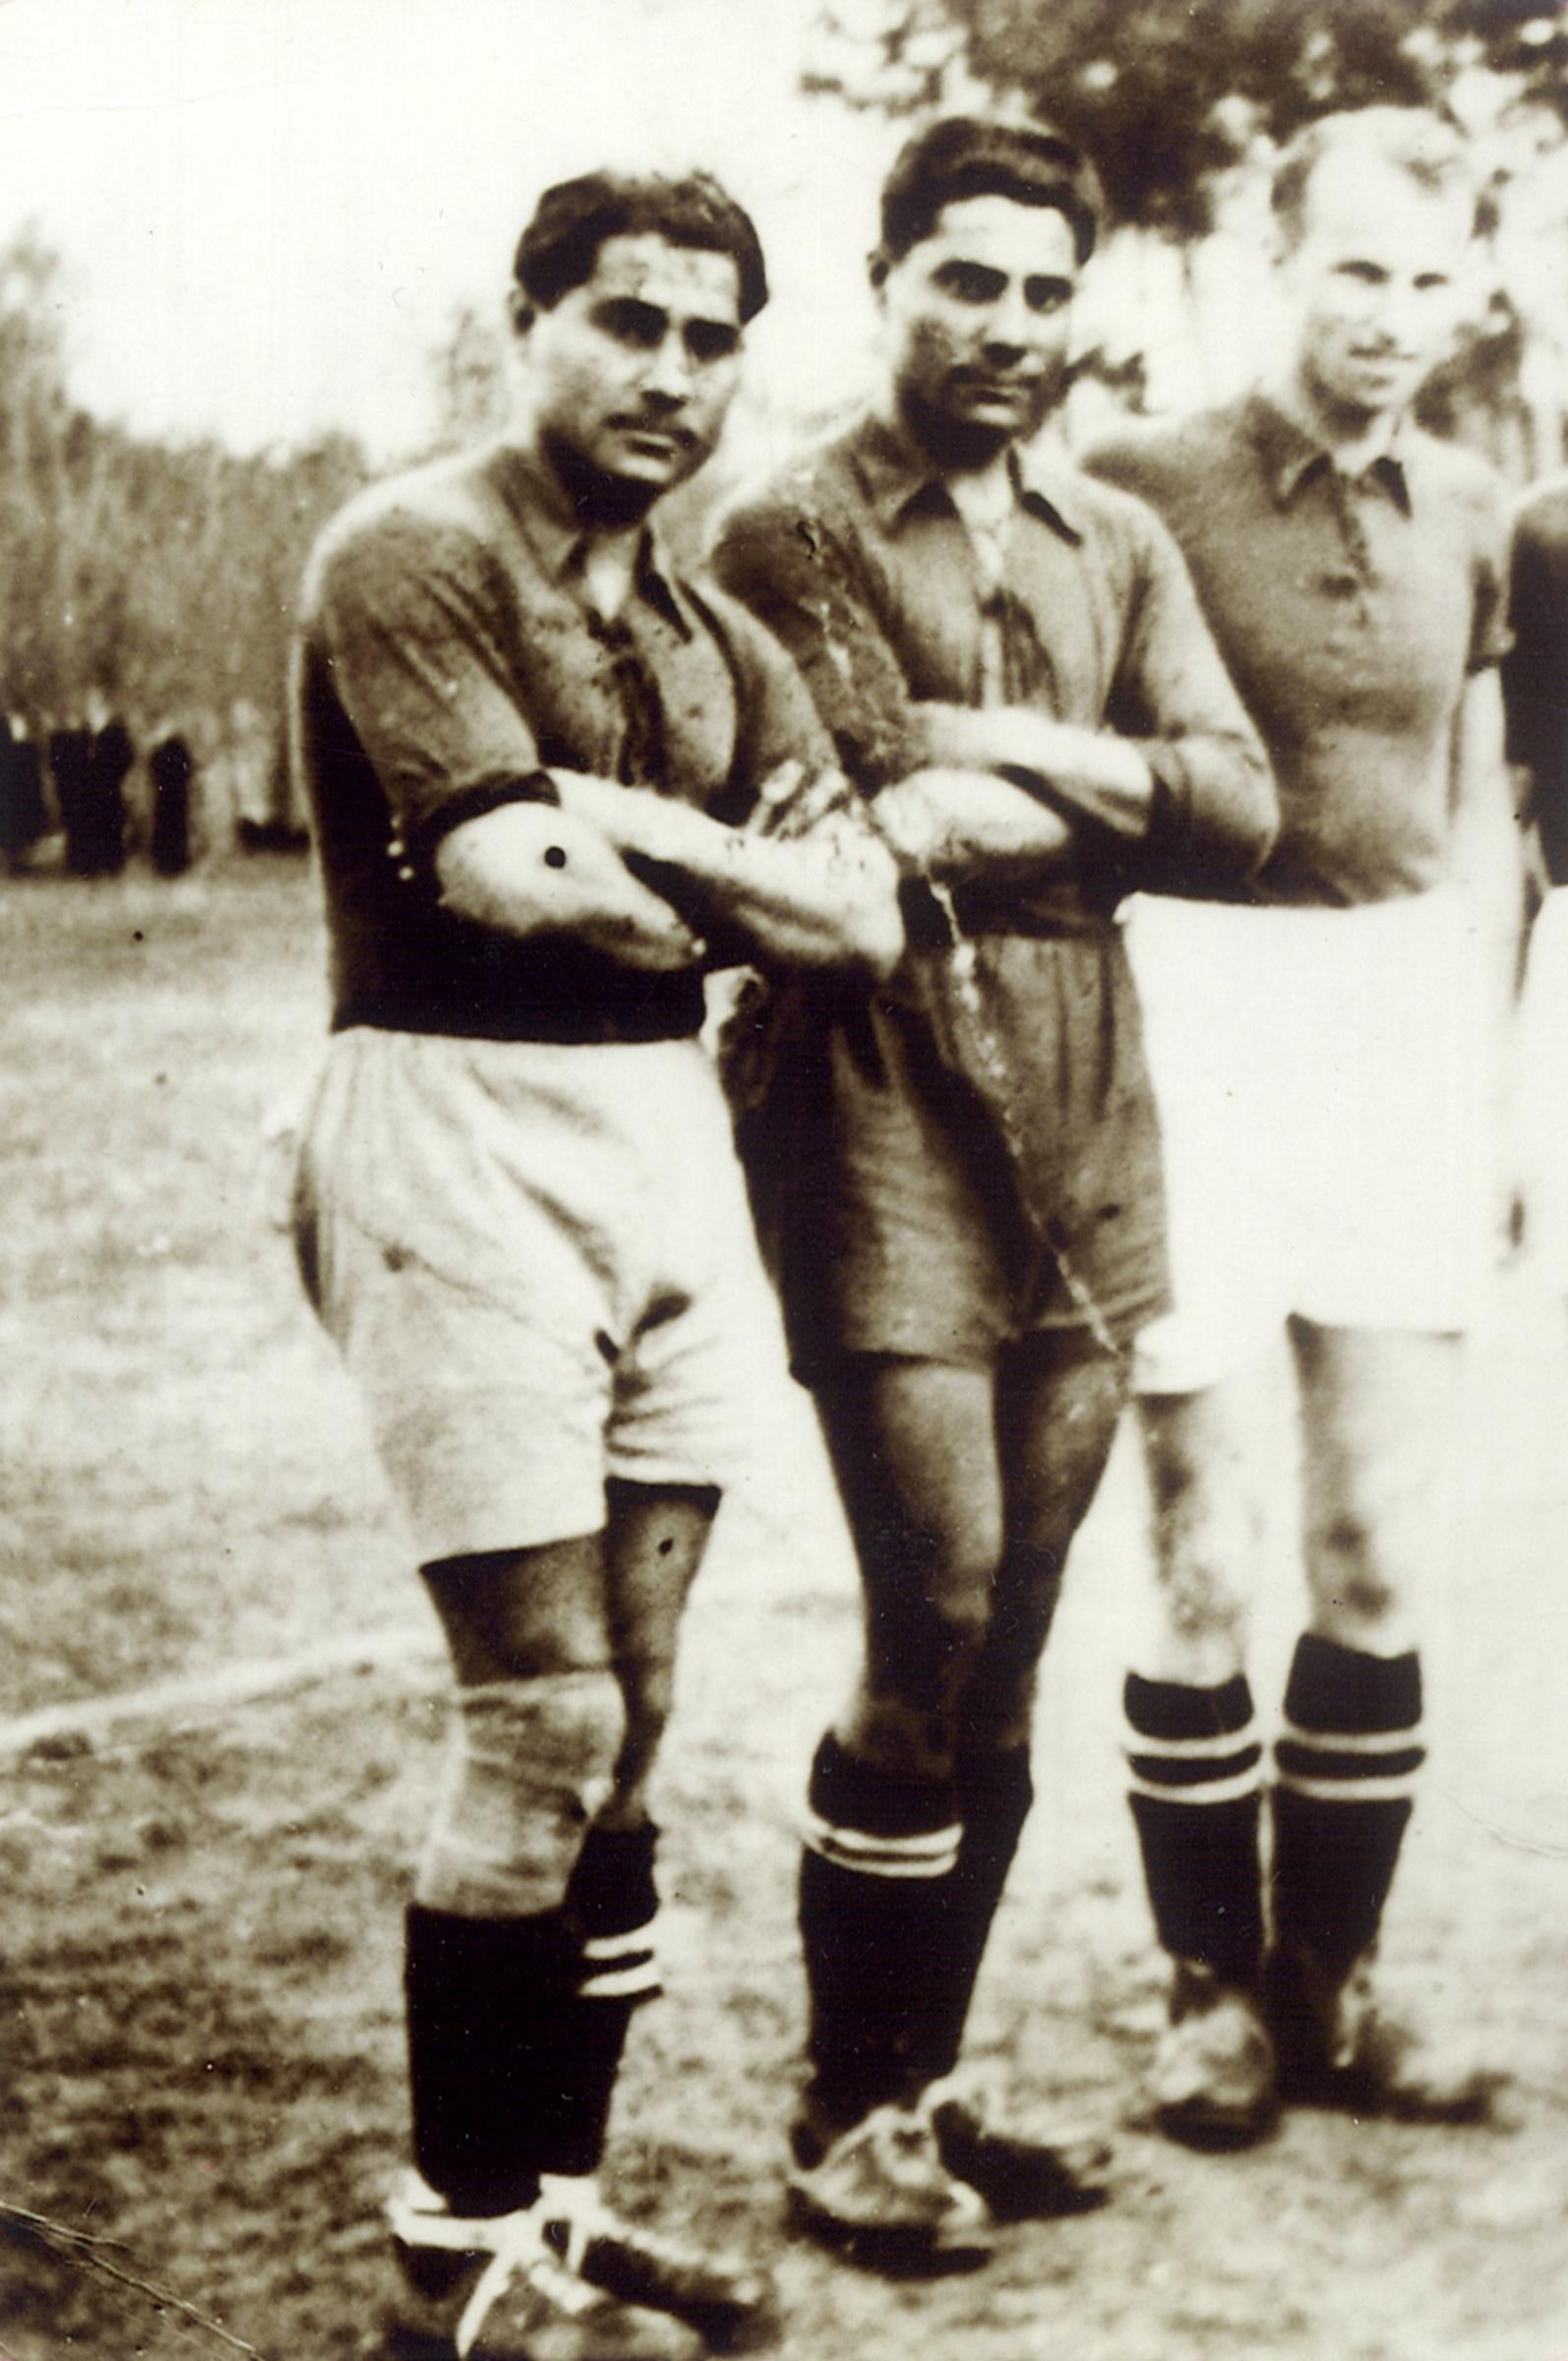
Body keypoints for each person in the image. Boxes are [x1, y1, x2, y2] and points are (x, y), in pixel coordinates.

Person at [290, 166, 903, 2361]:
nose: (670, 372)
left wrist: (631, 819)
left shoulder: (721, 635)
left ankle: (552, 2206)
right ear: (525, 318)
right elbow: (505, 881)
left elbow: (862, 920)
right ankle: (452, 2267)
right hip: (453, 1120)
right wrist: (723, 875)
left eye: (711, 337)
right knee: (538, 1711)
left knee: (630, 1725)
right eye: (627, 322)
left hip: (664, 1140)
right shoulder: (410, 551)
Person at [711, 114, 1275, 2259]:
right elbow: (873, 817)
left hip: (1087, 1088)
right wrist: (1095, 796)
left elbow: (1239, 804)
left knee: (1021, 1619)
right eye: (966, 280)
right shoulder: (789, 527)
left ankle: (923, 2082)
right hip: (874, 1083)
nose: (1010, 326)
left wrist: (1013, 748)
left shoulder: (1112, 534)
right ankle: (837, 2110)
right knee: (933, 1596)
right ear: (885, 282)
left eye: (1046, 289)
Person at [1085, 105, 1520, 2146]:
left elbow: (1479, 809)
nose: (1390, 315)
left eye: (1429, 279)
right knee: (1205, 1541)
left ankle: (1328, 1988)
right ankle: (1206, 1996)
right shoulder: (1135, 479)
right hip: (1192, 1008)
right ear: (1280, 262)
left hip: (1400, 1019)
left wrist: (1488, 1081)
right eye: (1354, 268)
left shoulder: (1476, 508)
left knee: (1371, 1544)